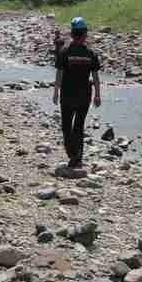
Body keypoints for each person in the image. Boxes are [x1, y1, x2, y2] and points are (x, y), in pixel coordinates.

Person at [52, 16, 102, 168]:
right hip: (84, 96)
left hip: (67, 95)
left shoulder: (65, 52)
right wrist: (98, 95)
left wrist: (55, 92)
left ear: (72, 34)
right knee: (79, 127)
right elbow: (95, 76)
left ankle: (72, 155)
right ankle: (78, 157)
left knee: (67, 127)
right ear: (85, 34)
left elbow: (59, 74)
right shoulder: (91, 53)